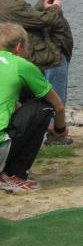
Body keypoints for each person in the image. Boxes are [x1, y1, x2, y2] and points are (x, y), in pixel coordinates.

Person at [0, 23, 68, 194]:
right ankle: (14, 174)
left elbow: (11, 102)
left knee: (22, 96)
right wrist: (60, 130)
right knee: (44, 105)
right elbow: (58, 106)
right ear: (18, 47)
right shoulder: (21, 65)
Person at [0, 0, 65, 71]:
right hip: (31, 58)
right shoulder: (16, 6)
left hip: (9, 56)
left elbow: (29, 17)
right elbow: (46, 20)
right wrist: (56, 7)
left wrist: (42, 7)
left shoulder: (3, 2)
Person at [34, 0, 74, 137]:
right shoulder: (48, 6)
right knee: (56, 98)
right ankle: (52, 135)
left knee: (55, 96)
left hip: (53, 56)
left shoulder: (47, 3)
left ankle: (51, 133)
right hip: (54, 58)